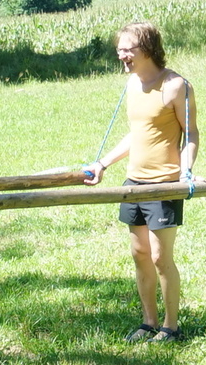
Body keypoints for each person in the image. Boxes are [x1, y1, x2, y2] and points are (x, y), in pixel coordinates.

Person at [82, 19, 198, 339]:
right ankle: (149, 323)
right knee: (141, 255)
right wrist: (103, 163)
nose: (121, 56)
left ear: (146, 48)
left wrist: (186, 171)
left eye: (126, 50)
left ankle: (171, 327)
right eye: (119, 50)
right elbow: (137, 134)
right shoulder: (132, 84)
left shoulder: (176, 86)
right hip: (133, 183)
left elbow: (190, 134)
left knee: (161, 257)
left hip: (164, 184)